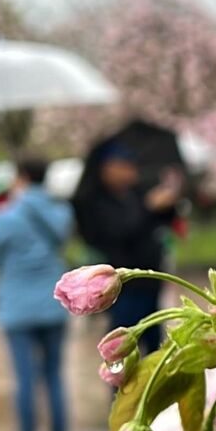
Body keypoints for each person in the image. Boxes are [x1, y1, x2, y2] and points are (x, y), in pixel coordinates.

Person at [0, 158, 74, 431]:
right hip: (54, 304)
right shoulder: (60, 212)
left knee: (25, 380)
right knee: (55, 376)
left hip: (16, 309)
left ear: (21, 176)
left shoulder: (5, 216)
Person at [72, 140, 181, 353]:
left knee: (155, 346)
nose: (130, 172)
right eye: (123, 166)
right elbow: (119, 232)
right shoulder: (94, 201)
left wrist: (168, 204)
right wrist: (150, 207)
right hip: (124, 286)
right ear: (107, 169)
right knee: (123, 346)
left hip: (150, 280)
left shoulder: (137, 193)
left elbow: (161, 222)